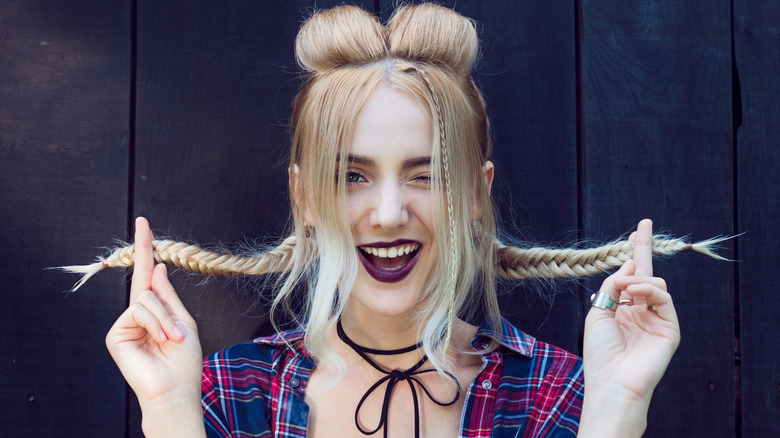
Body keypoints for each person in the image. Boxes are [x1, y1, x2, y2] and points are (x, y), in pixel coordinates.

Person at [98, 4, 689, 437]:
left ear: (477, 194)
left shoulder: (558, 400)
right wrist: (171, 415)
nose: (387, 214)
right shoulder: (229, 400)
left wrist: (615, 408)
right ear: (304, 197)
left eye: (425, 174)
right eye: (351, 176)